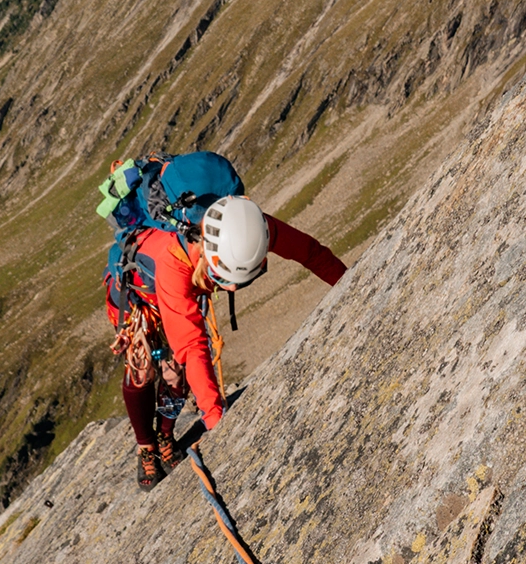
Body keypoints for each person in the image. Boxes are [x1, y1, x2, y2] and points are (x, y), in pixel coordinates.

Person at [104, 163, 345, 489]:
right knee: (143, 370)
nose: (229, 290)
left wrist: (352, 284)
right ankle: (147, 446)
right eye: (224, 279)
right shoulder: (175, 261)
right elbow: (192, 344)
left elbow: (311, 253)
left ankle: (164, 433)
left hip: (185, 282)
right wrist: (216, 419)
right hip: (139, 295)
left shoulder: (249, 228)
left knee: (175, 375)